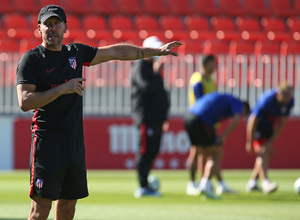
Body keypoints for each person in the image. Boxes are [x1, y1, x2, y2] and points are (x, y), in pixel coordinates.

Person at [16, 5, 181, 220]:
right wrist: (62, 89)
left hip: (74, 143)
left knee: (67, 208)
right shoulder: (31, 60)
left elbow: (117, 52)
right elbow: (24, 102)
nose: (52, 28)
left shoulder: (75, 53)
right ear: (39, 28)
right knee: (40, 210)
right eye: (47, 24)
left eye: (57, 23)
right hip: (47, 143)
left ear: (65, 27)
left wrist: (157, 52)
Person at [184, 92, 250, 199]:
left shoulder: (225, 99)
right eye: (244, 114)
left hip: (188, 117)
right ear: (245, 108)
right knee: (216, 153)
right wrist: (223, 136)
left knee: (197, 151)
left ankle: (192, 184)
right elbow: (236, 120)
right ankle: (205, 185)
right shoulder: (238, 104)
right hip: (201, 120)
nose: (242, 116)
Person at [186, 55, 233, 196]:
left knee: (207, 152)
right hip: (200, 121)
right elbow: (201, 103)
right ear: (206, 64)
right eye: (212, 64)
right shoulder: (198, 79)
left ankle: (210, 183)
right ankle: (194, 183)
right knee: (199, 152)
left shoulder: (210, 79)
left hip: (208, 121)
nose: (215, 67)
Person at [131, 36, 170, 198]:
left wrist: (164, 116)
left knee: (153, 150)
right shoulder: (140, 65)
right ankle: (143, 186)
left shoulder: (153, 68)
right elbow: (147, 86)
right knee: (145, 151)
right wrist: (156, 71)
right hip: (146, 117)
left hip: (157, 119)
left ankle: (146, 181)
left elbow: (161, 94)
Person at [245, 83, 294, 194]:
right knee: (264, 151)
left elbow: (282, 123)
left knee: (270, 152)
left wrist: (271, 141)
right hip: (256, 127)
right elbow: (252, 121)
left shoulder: (290, 101)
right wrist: (250, 142)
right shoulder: (266, 100)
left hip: (268, 127)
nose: (287, 98)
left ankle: (252, 182)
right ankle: (266, 183)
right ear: (278, 93)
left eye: (289, 95)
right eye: (285, 95)